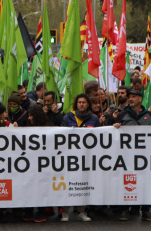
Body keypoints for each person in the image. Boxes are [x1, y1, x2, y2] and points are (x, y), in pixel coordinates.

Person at [114, 90, 151, 222]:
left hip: (145, 157)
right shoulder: (123, 114)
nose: (130, 99)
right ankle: (125, 209)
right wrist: (115, 126)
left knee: (145, 183)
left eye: (133, 97)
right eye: (129, 97)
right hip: (127, 157)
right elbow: (115, 135)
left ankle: (145, 211)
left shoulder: (149, 115)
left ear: (140, 99)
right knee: (127, 182)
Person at [60, 94, 97, 222]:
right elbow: (61, 135)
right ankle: (65, 212)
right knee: (68, 183)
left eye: (84, 102)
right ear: (76, 104)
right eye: (79, 102)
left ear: (88, 104)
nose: (81, 104)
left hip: (87, 157)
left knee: (84, 184)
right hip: (70, 157)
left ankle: (81, 211)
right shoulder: (67, 117)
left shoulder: (94, 118)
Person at [23, 104, 50, 223]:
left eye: (31, 116)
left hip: (43, 165)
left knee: (41, 188)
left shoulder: (48, 129)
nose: (29, 118)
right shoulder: (27, 128)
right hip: (29, 164)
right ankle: (29, 211)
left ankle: (41, 212)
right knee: (29, 188)